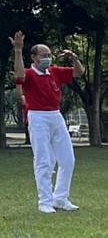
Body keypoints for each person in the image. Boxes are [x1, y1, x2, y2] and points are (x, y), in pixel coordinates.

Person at [10, 31, 83, 213]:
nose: (48, 58)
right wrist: (18, 51)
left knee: (68, 160)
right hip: (37, 116)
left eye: (49, 55)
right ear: (34, 58)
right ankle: (45, 201)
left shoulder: (55, 72)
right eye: (44, 56)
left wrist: (74, 58)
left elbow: (78, 72)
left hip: (56, 116)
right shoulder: (29, 74)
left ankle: (60, 198)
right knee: (43, 160)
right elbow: (19, 76)